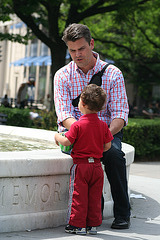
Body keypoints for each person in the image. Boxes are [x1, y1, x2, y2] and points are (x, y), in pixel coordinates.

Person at [54, 23, 131, 229]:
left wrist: (100, 134)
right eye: (72, 50)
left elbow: (120, 115)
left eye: (81, 48)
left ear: (92, 44)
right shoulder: (62, 75)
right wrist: (84, 131)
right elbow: (64, 114)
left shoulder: (113, 74)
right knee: (85, 166)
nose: (77, 54)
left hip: (107, 131)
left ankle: (123, 213)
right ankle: (92, 214)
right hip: (75, 132)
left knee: (114, 156)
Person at [55, 84, 113, 235]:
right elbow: (107, 146)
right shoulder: (103, 126)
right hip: (97, 167)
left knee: (78, 196)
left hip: (81, 167)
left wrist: (57, 137)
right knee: (94, 197)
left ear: (83, 104)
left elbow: (67, 141)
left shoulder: (78, 125)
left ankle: (77, 225)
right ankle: (92, 225)